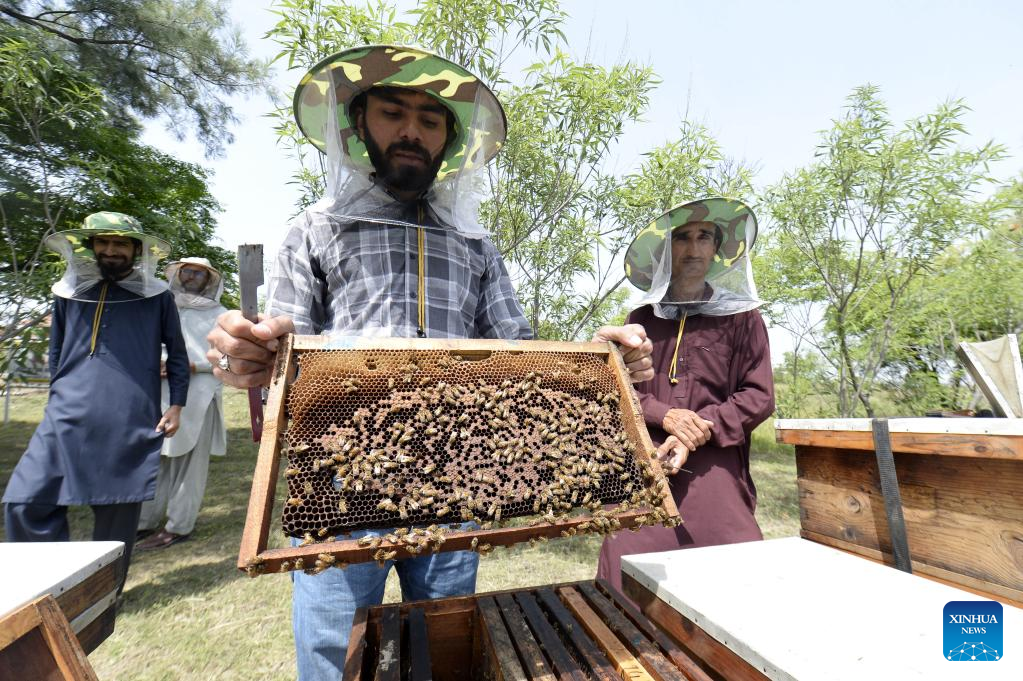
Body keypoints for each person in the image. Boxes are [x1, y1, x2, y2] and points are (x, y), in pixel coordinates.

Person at [205, 45, 654, 679]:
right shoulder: (315, 229)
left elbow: (519, 354)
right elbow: (280, 343)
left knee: (445, 647)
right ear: (359, 125)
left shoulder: (475, 243)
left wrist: (602, 362)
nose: (411, 131)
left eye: (430, 119)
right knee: (337, 654)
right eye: (393, 113)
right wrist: (249, 351)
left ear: (449, 139)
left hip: (456, 478)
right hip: (342, 481)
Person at [597, 197, 775, 595]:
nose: (694, 248)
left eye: (704, 237)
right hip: (647, 463)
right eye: (682, 238)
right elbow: (622, 391)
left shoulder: (743, 318)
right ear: (666, 251)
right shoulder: (640, 319)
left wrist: (699, 428)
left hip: (716, 463)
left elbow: (759, 395)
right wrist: (666, 416)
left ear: (716, 249)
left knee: (739, 579)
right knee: (626, 575)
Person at [3, 212, 189, 590]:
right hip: (66, 409)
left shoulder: (157, 297)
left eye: (120, 243)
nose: (110, 250)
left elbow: (178, 353)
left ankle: (103, 594)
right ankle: (48, 587)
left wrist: (176, 404)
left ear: (136, 250)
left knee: (116, 510)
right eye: (102, 242)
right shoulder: (69, 292)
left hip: (129, 412)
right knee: (25, 500)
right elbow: (57, 351)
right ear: (90, 246)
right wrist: (55, 396)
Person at [136, 258, 227, 550]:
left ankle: (178, 526)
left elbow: (228, 360)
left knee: (190, 465)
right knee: (156, 459)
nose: (191, 277)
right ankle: (144, 522)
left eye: (198, 273)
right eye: (186, 271)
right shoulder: (163, 307)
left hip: (199, 396)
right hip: (160, 393)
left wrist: (194, 365)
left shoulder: (221, 315)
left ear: (209, 279)